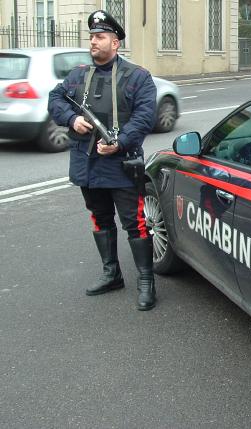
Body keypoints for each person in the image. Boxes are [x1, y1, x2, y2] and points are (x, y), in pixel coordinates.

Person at [48, 10, 158, 311]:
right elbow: (55, 99)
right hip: (87, 163)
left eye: (100, 37)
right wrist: (72, 119)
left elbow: (144, 118)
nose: (93, 41)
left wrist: (119, 143)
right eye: (92, 37)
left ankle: (146, 281)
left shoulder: (138, 77)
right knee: (99, 217)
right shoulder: (78, 75)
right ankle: (112, 274)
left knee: (135, 223)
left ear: (115, 42)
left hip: (121, 163)